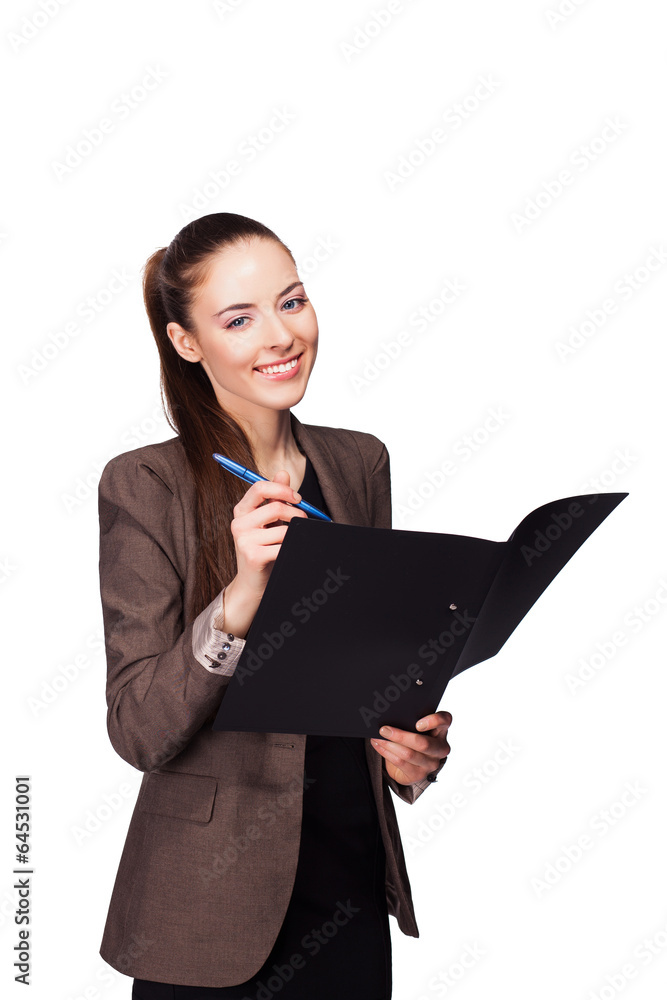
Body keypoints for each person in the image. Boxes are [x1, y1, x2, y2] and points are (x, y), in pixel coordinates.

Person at [97, 212, 452, 998]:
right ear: (186, 342)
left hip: (350, 882)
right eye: (238, 318)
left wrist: (409, 750)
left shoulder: (359, 462)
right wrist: (240, 597)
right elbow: (137, 730)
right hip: (204, 910)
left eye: (290, 302)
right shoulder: (144, 484)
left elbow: (368, 668)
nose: (279, 336)